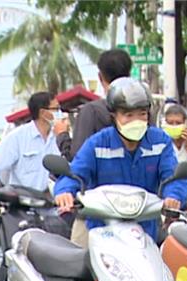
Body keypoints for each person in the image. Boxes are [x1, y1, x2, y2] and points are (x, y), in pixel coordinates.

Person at [53, 78, 187, 244]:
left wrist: (173, 196)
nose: (135, 121)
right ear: (113, 116)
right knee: (76, 263)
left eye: (142, 114)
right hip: (100, 230)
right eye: (128, 115)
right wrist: (65, 192)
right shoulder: (98, 143)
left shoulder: (160, 142)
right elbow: (75, 174)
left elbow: (173, 176)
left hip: (144, 232)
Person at [56, 49, 132, 246]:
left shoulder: (91, 111)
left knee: (77, 264)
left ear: (100, 77)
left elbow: (76, 158)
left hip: (97, 209)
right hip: (136, 206)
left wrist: (62, 138)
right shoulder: (142, 109)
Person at [0, 91, 61, 198]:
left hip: (53, 206)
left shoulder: (59, 137)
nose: (60, 113)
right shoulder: (18, 137)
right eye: (56, 109)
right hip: (22, 205)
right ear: (43, 113)